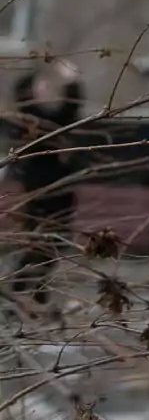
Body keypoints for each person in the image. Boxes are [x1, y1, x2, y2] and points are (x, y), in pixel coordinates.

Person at [8, 59, 83, 307]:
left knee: (53, 238)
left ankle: (35, 287)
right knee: (39, 237)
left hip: (61, 187)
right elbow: (24, 97)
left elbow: (70, 110)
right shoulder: (30, 120)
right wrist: (37, 68)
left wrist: (71, 80)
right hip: (41, 188)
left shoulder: (56, 122)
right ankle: (20, 286)